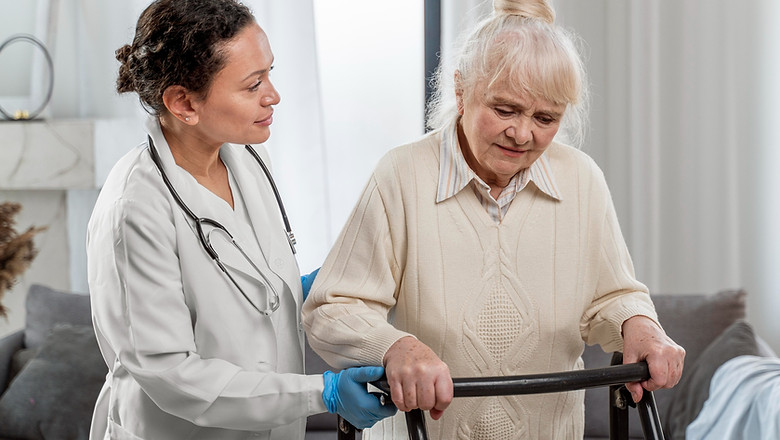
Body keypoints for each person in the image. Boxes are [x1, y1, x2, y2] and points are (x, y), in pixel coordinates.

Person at [302, 0, 686, 438]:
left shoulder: (581, 179)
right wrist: (395, 347)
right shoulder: (402, 174)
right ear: (461, 90)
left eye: (545, 118)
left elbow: (612, 295)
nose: (522, 134)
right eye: (505, 110)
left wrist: (641, 326)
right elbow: (332, 307)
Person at [86, 1, 395, 438]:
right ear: (183, 102)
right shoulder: (135, 208)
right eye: (253, 85)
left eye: (269, 72)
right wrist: (321, 394)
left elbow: (251, 287)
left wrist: (305, 289)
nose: (273, 94)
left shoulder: (248, 157)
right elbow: (174, 376)